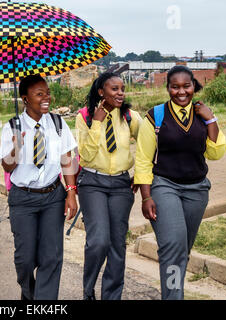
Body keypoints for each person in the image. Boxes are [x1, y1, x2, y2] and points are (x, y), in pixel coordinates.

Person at [134, 65, 226, 300]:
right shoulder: (155, 116)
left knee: (181, 250)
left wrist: (211, 120)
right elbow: (144, 160)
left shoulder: (203, 113)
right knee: (173, 247)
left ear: (194, 86)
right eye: (174, 87)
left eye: (186, 86)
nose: (181, 92)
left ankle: (174, 292)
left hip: (197, 190)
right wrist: (146, 197)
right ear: (167, 88)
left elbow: (215, 153)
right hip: (165, 187)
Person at [0, 75, 78, 300]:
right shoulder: (12, 127)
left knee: (51, 256)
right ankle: (31, 294)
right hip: (23, 199)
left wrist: (71, 192)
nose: (46, 98)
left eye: (47, 93)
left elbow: (67, 158)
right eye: (39, 94)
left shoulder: (58, 123)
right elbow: (7, 165)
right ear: (25, 99)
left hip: (53, 196)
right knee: (25, 260)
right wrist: (16, 148)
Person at [75, 73, 142, 300]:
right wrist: (97, 123)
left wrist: (140, 174)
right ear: (101, 92)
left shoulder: (130, 117)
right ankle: (88, 290)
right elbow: (85, 156)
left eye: (122, 88)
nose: (120, 93)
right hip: (92, 182)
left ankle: (111, 296)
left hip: (122, 185)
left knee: (117, 244)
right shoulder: (84, 117)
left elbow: (147, 144)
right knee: (98, 240)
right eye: (114, 89)